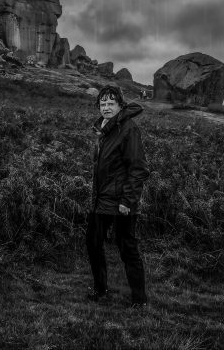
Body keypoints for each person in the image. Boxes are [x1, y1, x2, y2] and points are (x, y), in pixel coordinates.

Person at [86, 85, 149, 307]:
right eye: (103, 103)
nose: (106, 107)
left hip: (121, 201)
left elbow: (138, 168)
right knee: (93, 243)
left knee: (127, 249)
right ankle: (100, 289)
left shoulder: (128, 128)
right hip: (101, 199)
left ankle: (139, 300)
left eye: (111, 103)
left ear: (120, 105)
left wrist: (127, 201)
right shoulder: (103, 130)